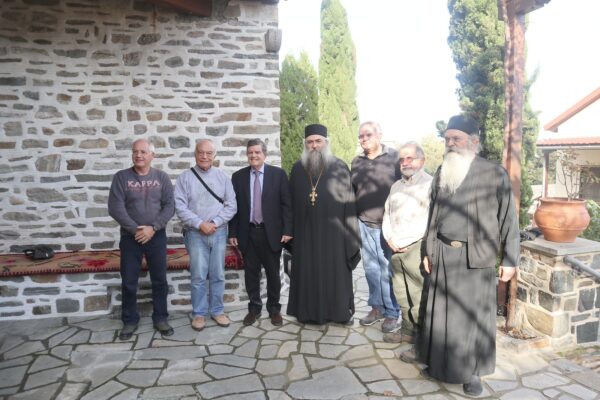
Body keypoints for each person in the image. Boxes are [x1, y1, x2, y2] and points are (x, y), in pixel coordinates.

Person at [404, 115, 519, 397]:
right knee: (441, 316)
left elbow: (509, 219)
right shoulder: (443, 170)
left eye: (456, 138)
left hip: (476, 258)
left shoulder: (494, 173)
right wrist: (429, 250)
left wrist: (510, 259)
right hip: (443, 254)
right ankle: (440, 366)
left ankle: (473, 373)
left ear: (474, 141)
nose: (450, 143)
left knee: (472, 320)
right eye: (447, 139)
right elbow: (434, 214)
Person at [286, 124, 361, 325]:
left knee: (334, 274)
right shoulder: (297, 169)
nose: (314, 146)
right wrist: (289, 231)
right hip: (305, 235)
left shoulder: (340, 167)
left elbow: (349, 204)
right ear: (305, 144)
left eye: (318, 141)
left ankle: (338, 313)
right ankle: (307, 313)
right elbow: (290, 204)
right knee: (307, 273)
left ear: (326, 143)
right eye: (310, 142)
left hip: (334, 236)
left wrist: (351, 235)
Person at [108, 138, 175, 340]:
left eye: (143, 152)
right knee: (129, 281)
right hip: (131, 237)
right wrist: (135, 229)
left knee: (159, 280)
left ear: (152, 155)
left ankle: (160, 318)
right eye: (135, 151)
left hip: (156, 235)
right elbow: (115, 207)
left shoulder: (162, 177)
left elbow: (170, 206)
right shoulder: (121, 177)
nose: (138, 155)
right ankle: (129, 320)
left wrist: (153, 228)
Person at [229, 139, 293, 326]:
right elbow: (234, 208)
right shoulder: (238, 177)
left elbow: (286, 205)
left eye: (257, 152)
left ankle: (274, 309)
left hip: (271, 233)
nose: (253, 155)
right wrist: (232, 233)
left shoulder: (278, 175)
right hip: (247, 233)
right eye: (250, 152)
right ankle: (254, 309)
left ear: (265, 154)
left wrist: (288, 230)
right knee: (251, 274)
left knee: (273, 274)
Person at [174, 139, 237, 331]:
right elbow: (180, 206)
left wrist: (215, 223)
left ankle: (217, 311)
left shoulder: (222, 177)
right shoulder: (185, 178)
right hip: (195, 233)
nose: (204, 156)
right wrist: (200, 224)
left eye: (209, 153)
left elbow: (232, 205)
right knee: (198, 275)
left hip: (218, 232)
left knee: (217, 274)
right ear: (195, 154)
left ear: (214, 156)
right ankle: (199, 313)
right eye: (201, 152)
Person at [351, 121, 401, 332]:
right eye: (361, 136)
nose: (364, 139)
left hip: (387, 225)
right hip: (364, 223)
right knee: (371, 270)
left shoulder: (395, 158)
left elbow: (404, 188)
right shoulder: (357, 162)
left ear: (379, 135)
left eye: (368, 135)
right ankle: (376, 308)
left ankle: (392, 312)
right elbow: (353, 191)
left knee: (387, 270)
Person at [381, 141, 432, 344]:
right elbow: (387, 214)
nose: (405, 162)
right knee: (401, 293)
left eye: (410, 158)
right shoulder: (396, 186)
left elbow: (433, 219)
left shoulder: (430, 185)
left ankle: (421, 339)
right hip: (395, 248)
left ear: (422, 160)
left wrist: (411, 241)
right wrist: (389, 237)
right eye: (402, 159)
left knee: (417, 294)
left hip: (417, 247)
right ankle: (407, 331)